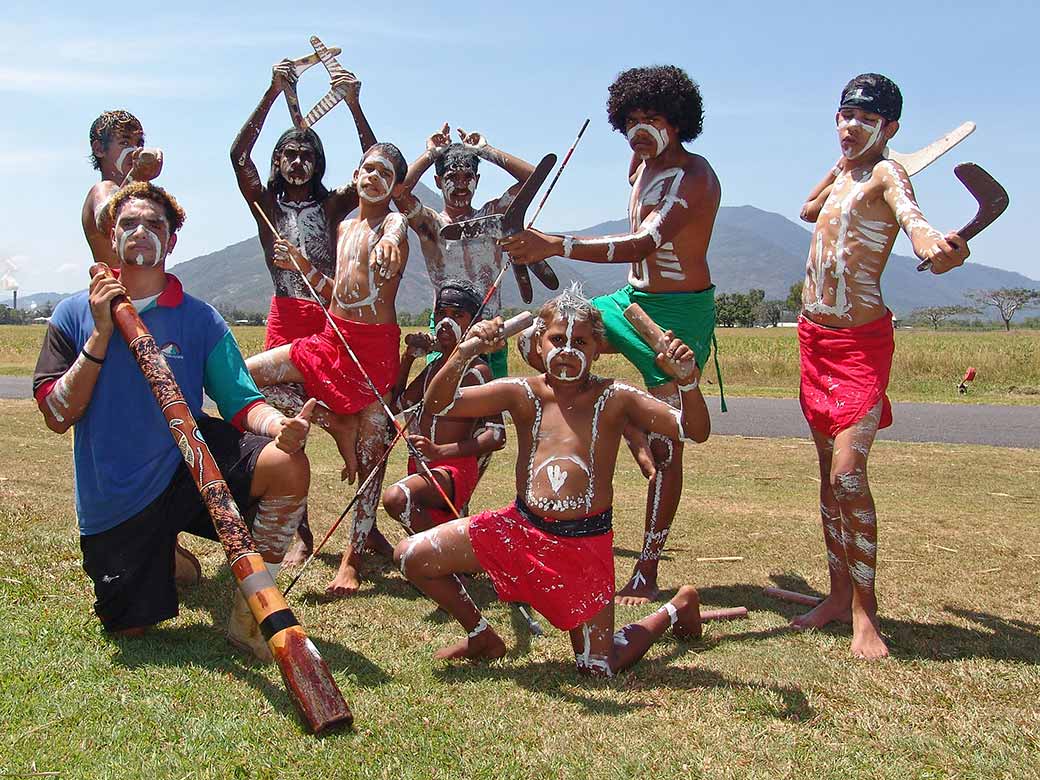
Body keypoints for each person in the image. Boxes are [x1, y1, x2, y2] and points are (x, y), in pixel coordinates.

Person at [34, 182, 317, 660]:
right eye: (129, 223)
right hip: (116, 499)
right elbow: (58, 414)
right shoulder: (72, 313)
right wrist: (102, 334)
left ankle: (248, 618)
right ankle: (168, 558)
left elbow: (241, 401)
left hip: (188, 465)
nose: (141, 231)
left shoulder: (200, 318)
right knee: (131, 629)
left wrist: (278, 428)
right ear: (111, 233)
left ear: (172, 241)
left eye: (154, 225)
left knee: (286, 464)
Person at [394, 287, 710, 675]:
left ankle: (675, 609)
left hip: (583, 546)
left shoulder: (615, 397)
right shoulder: (522, 393)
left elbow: (693, 430)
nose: (567, 350)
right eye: (558, 340)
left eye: (580, 341)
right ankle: (481, 635)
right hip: (520, 530)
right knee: (411, 556)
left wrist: (689, 382)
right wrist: (464, 352)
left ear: (597, 349)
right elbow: (438, 404)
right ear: (538, 345)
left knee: (597, 666)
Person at [502, 65, 722, 605]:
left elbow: (642, 244)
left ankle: (646, 568)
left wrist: (554, 243)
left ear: (678, 121)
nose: (640, 131)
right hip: (627, 302)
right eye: (631, 120)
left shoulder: (695, 178)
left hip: (677, 315)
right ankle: (620, 420)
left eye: (652, 119)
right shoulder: (639, 166)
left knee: (670, 447)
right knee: (543, 336)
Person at [793, 73, 970, 659]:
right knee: (826, 474)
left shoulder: (891, 174)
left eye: (863, 121)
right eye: (842, 116)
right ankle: (837, 595)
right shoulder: (845, 175)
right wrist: (843, 160)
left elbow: (913, 220)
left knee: (848, 473)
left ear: (889, 128)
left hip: (859, 346)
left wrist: (934, 248)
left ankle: (867, 614)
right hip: (813, 340)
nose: (848, 127)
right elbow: (805, 208)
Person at [246, 143, 410, 596]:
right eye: (368, 168)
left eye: (385, 173)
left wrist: (394, 241)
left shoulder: (391, 224)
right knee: (245, 377)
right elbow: (335, 290)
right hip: (330, 339)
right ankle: (334, 422)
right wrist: (303, 266)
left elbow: (395, 231)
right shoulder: (344, 225)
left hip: (373, 353)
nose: (373, 177)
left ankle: (351, 561)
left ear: (394, 186)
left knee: (375, 460)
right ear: (356, 172)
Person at [231, 58, 377, 564]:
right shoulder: (266, 206)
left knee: (361, 410)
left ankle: (366, 528)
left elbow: (376, 164)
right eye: (288, 155)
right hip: (283, 319)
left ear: (318, 162)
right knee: (278, 420)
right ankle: (298, 527)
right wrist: (273, 90)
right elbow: (238, 153)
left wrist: (355, 105)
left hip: (327, 319)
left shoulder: (334, 206)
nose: (297, 163)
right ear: (277, 163)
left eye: (306, 155)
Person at [393, 124, 536, 379]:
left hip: (491, 331)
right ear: (438, 182)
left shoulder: (493, 217)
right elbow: (398, 191)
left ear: (477, 180)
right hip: (446, 332)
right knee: (443, 409)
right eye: (452, 177)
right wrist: (431, 154)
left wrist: (486, 151)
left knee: (489, 411)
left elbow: (534, 177)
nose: (460, 185)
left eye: (467, 177)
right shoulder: (431, 225)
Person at [382, 280, 506, 533]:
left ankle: (447, 556)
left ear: (473, 323)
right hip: (422, 466)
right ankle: (453, 553)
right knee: (414, 549)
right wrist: (407, 358)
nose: (445, 322)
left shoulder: (477, 371)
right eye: (441, 314)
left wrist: (440, 451)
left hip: (453, 467)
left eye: (457, 315)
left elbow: (496, 435)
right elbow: (397, 406)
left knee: (397, 499)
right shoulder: (433, 368)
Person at [81, 110, 163, 267]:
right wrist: (137, 176)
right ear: (99, 149)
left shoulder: (138, 198)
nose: (135, 151)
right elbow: (106, 221)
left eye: (139, 143)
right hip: (116, 289)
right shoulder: (102, 189)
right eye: (124, 143)